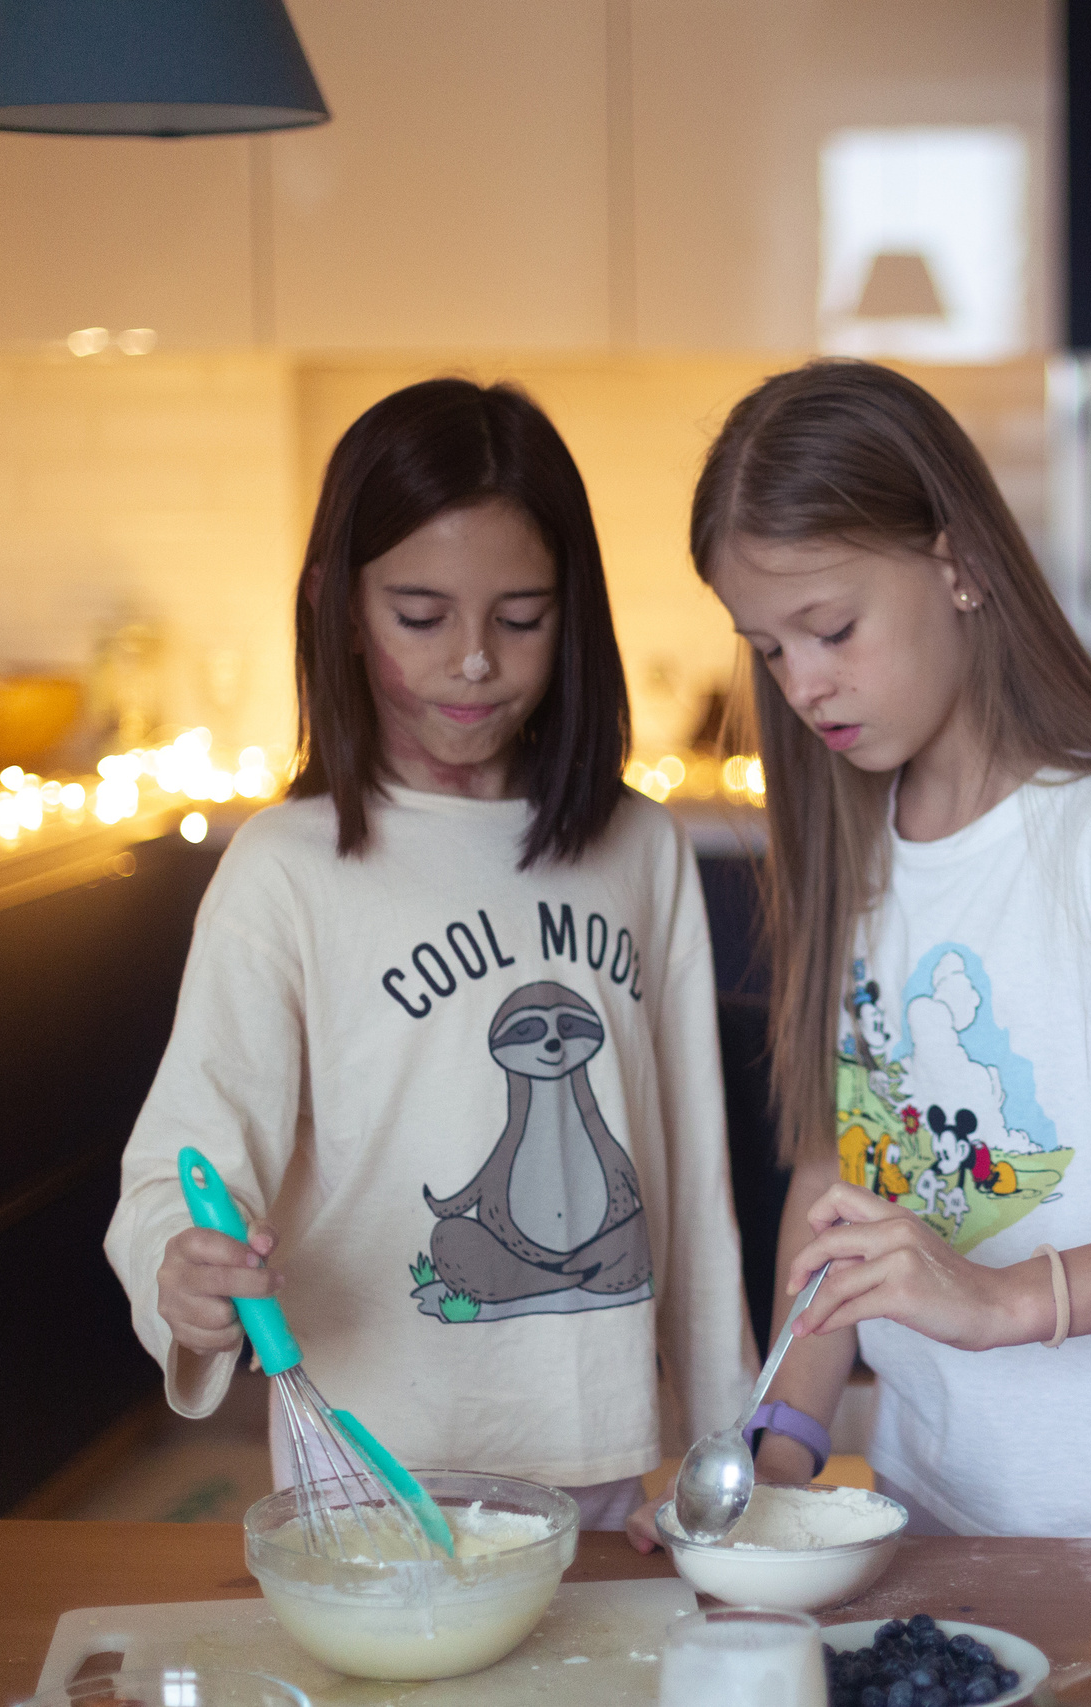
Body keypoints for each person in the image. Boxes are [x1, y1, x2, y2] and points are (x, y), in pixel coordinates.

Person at [688, 359, 1091, 1540]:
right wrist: (781, 1439)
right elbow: (840, 1177)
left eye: (831, 629)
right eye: (768, 648)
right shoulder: (858, 848)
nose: (802, 684)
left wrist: (1004, 1302)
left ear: (957, 564)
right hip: (945, 1492)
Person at [105, 378, 753, 1545]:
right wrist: (180, 1273)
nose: (473, 663)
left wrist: (725, 1445)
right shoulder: (285, 871)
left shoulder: (638, 850)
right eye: (420, 615)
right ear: (341, 610)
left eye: (521, 618)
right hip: (370, 1472)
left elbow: (692, 1185)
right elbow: (180, 1164)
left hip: (598, 1458)